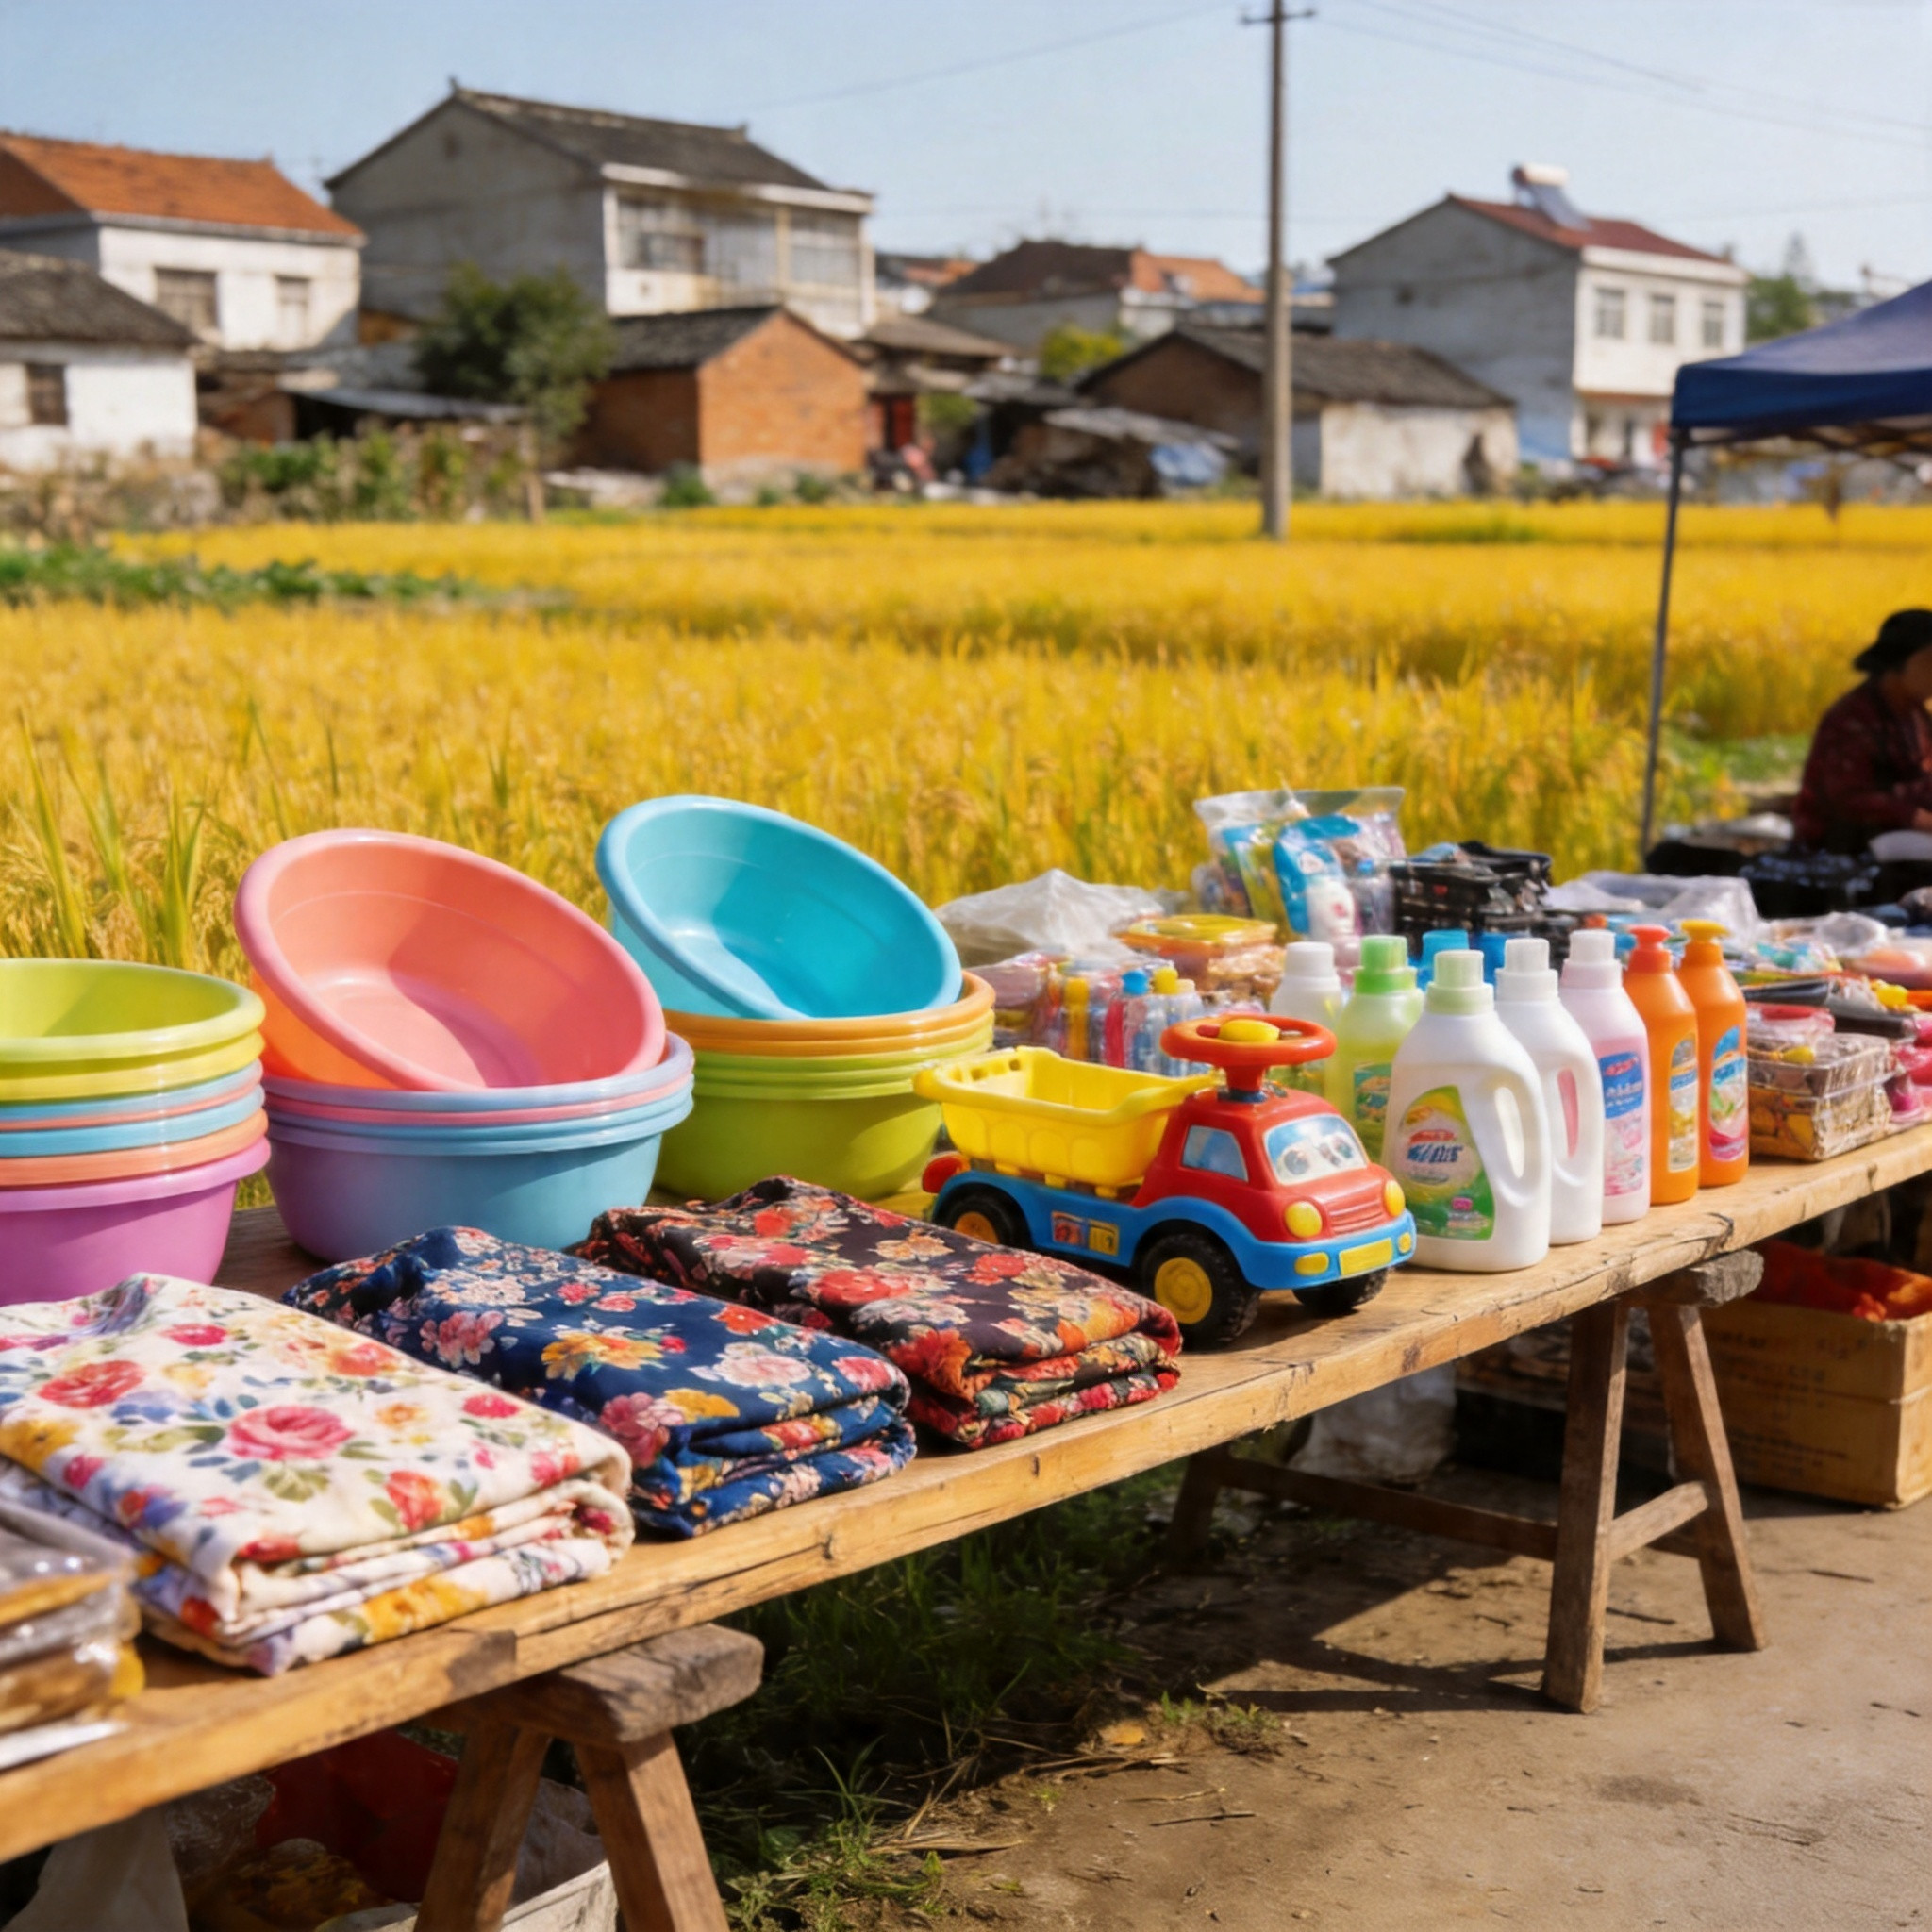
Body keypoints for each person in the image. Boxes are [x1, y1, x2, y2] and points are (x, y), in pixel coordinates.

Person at [1792, 608, 1932, 853]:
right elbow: (1848, 800)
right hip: (1841, 849)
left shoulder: (1916, 715)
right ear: (1898, 663)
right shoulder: (1850, 719)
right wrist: (1915, 817)